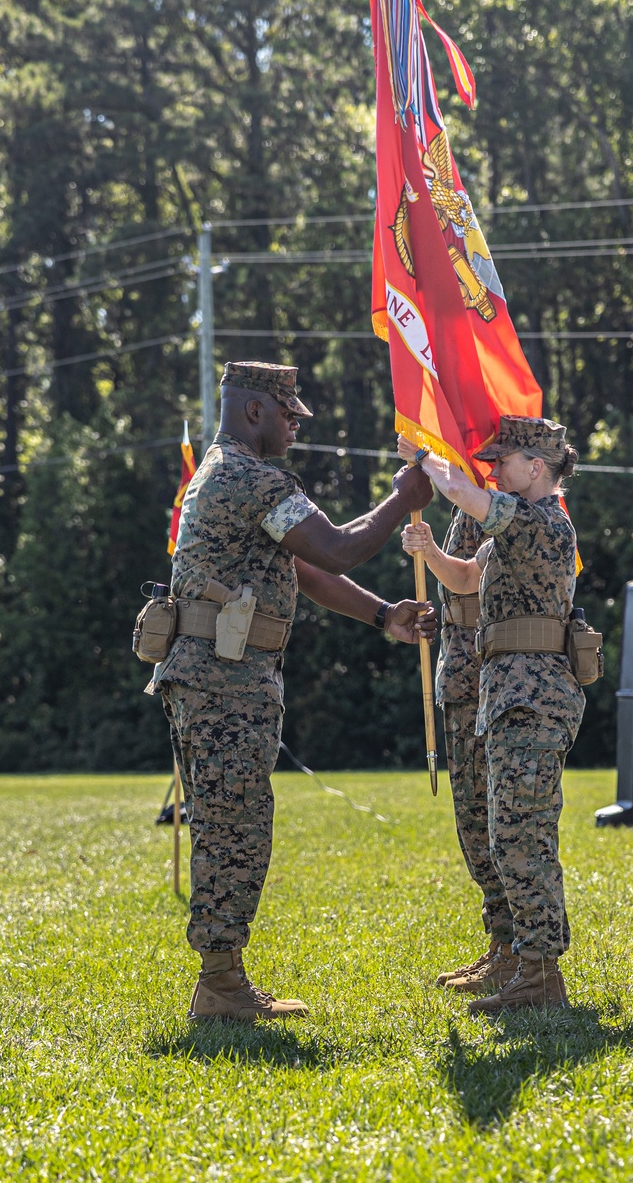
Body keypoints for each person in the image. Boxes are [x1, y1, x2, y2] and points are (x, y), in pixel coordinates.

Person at [153, 362, 435, 1025]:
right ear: (255, 411)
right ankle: (220, 987)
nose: (298, 421)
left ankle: (223, 979)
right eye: (289, 410)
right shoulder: (249, 476)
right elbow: (336, 549)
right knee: (233, 830)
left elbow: (304, 567)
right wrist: (403, 498)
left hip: (221, 676)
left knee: (236, 825)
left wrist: (379, 615)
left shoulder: (229, 473)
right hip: (222, 682)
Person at [399, 416, 583, 1014]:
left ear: (538, 466)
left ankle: (539, 974)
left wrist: (424, 458)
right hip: (507, 694)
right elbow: (468, 577)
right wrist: (430, 553)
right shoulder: (513, 527)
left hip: (532, 695)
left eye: (505, 460)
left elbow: (463, 493)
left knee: (523, 834)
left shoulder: (545, 521)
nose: (495, 468)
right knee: (507, 832)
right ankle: (525, 962)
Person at [427, 506, 517, 996]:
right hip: (462, 678)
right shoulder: (468, 505)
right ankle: (501, 944)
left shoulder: (494, 503)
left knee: (490, 821)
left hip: (486, 677)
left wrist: (427, 551)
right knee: (472, 820)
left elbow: (470, 582)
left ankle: (513, 951)